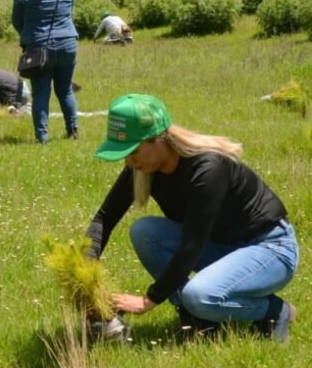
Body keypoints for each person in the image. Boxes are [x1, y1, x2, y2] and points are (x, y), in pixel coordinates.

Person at [86, 94, 298, 341]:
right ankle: (197, 318)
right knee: (144, 232)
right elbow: (105, 217)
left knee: (199, 295)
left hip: (269, 249)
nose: (128, 160)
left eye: (132, 150)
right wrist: (85, 265)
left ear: (157, 139)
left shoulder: (208, 168)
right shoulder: (140, 168)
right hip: (221, 245)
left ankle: (273, 311)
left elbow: (192, 246)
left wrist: (148, 301)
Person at [11, 0, 79, 143]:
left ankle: (42, 138)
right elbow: (68, 14)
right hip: (68, 45)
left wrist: (31, 36)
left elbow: (17, 21)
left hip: (38, 49)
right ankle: (72, 130)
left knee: (41, 93)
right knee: (65, 90)